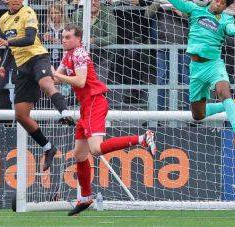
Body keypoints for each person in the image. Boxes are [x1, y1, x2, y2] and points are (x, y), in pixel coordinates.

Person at [131, 0, 235, 146]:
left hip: (214, 65)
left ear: (225, 7)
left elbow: (230, 28)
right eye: (217, 0)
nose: (218, 4)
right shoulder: (195, 10)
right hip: (196, 67)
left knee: (223, 91)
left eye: (222, 3)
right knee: (198, 115)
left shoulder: (226, 19)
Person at [52, 24, 157, 216]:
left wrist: (56, 74)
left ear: (78, 39)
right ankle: (85, 197)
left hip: (94, 102)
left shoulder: (80, 54)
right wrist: (44, 70)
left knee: (96, 149)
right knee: (79, 154)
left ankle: (142, 139)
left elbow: (80, 81)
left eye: (67, 37)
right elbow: (56, 79)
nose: (64, 40)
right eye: (63, 37)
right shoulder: (68, 55)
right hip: (86, 107)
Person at [0, 0, 75, 172]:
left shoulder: (28, 12)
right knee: (21, 115)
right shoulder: (3, 20)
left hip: (37, 56)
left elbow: (29, 38)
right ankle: (48, 148)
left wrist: (7, 42)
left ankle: (65, 113)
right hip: (22, 66)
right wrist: (3, 66)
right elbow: (11, 48)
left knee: (46, 82)